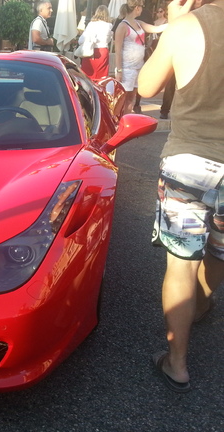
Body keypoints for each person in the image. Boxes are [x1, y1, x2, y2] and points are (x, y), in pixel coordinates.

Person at [139, 0, 224, 393]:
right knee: (220, 251)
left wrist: (174, 26)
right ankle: (202, 306)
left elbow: (145, 87)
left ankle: (177, 363)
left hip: (189, 162)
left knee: (181, 264)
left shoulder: (188, 26)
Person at [114, 0, 165, 113]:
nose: (142, 9)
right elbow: (117, 50)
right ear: (137, 8)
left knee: (132, 97)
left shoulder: (139, 23)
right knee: (122, 98)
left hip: (138, 67)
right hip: (126, 68)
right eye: (142, 6)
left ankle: (126, 118)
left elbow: (155, 29)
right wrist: (119, 70)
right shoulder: (122, 26)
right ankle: (118, 121)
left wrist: (174, 23)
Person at [78, 5, 113, 79]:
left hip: (90, 51)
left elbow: (81, 40)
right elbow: (109, 39)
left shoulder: (91, 24)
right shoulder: (109, 25)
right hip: (102, 51)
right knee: (101, 78)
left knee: (87, 77)